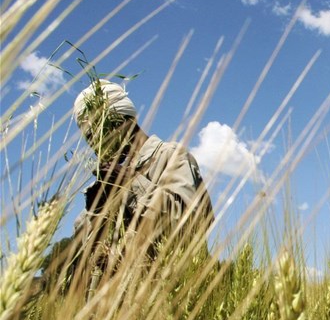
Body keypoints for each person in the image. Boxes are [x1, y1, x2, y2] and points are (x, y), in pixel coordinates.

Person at [45, 79, 214, 292]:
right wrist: (95, 213)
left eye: (96, 134)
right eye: (88, 137)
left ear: (121, 121)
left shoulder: (170, 156)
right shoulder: (109, 181)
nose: (94, 145)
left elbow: (191, 223)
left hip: (164, 306)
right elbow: (82, 265)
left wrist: (130, 185)